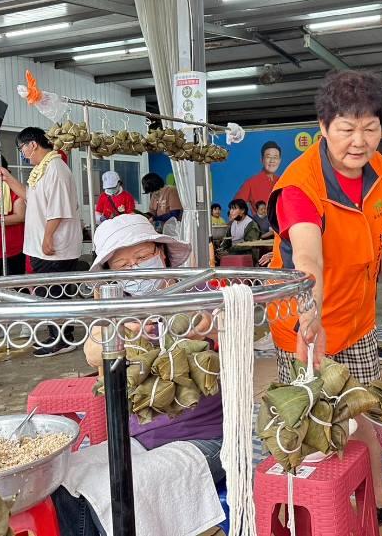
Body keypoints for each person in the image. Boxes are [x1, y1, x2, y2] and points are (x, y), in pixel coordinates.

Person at [267, 70, 382, 524]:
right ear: (324, 127)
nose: (359, 141)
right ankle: (314, 511)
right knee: (312, 423)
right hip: (306, 324)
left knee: (363, 410)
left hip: (358, 318)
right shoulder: (299, 187)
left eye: (370, 128)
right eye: (346, 129)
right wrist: (312, 321)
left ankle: (378, 501)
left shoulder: (380, 168)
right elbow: (307, 260)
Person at [52, 213, 225, 536]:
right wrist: (121, 330)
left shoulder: (197, 290)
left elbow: (212, 323)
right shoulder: (115, 306)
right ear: (110, 274)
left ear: (162, 254)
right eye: (122, 265)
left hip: (207, 439)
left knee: (119, 490)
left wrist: (195, 326)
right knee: (65, 482)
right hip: (137, 440)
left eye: (143, 257)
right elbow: (92, 354)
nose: (135, 269)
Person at [0, 127, 83, 357]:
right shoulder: (41, 170)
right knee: (48, 293)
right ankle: (57, 334)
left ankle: (64, 338)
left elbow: (58, 209)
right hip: (42, 246)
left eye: (22, 148)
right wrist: (8, 178)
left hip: (54, 247)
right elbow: (29, 197)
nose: (22, 153)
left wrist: (47, 238)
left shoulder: (56, 169)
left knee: (56, 294)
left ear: (32, 144)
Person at [234, 141, 282, 213]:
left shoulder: (283, 182)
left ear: (279, 160)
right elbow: (236, 207)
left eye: (275, 157)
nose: (272, 161)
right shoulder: (251, 183)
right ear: (262, 160)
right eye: (268, 157)